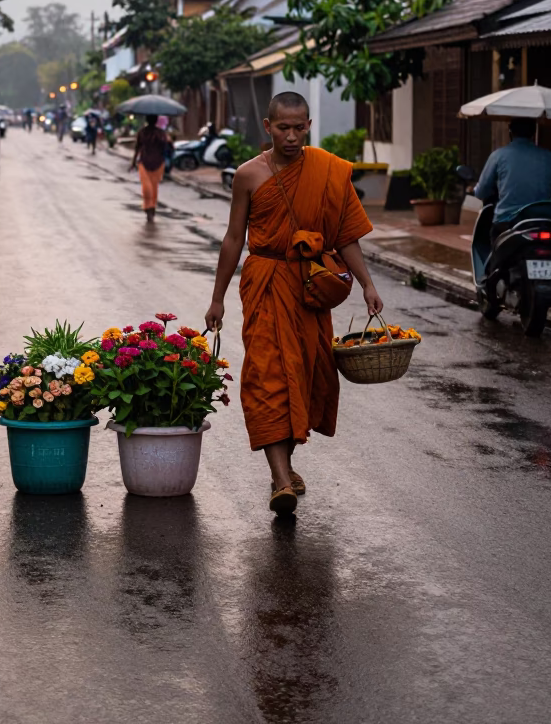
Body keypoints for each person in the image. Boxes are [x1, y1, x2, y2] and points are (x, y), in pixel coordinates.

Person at [205, 92, 382, 517]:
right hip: (265, 281)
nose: (291, 136)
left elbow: (345, 236)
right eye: (282, 128)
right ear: (268, 127)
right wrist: (217, 298)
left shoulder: (326, 171)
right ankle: (281, 479)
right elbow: (233, 238)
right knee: (267, 376)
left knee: (301, 376)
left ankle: (283, 468)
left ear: (308, 126)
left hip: (309, 287)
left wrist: (367, 284)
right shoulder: (248, 175)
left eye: (298, 127)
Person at [474, 118, 551, 242]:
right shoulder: (548, 157)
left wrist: (474, 189)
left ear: (510, 132)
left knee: (495, 247)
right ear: (533, 133)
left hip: (507, 220)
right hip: (542, 221)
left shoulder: (498, 156)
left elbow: (481, 191)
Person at [130, 115, 168, 222]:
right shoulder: (146, 133)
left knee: (152, 187)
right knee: (148, 187)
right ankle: (149, 207)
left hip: (156, 163)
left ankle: (151, 207)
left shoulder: (159, 134)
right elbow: (138, 147)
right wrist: (134, 161)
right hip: (146, 162)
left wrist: (133, 161)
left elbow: (165, 148)